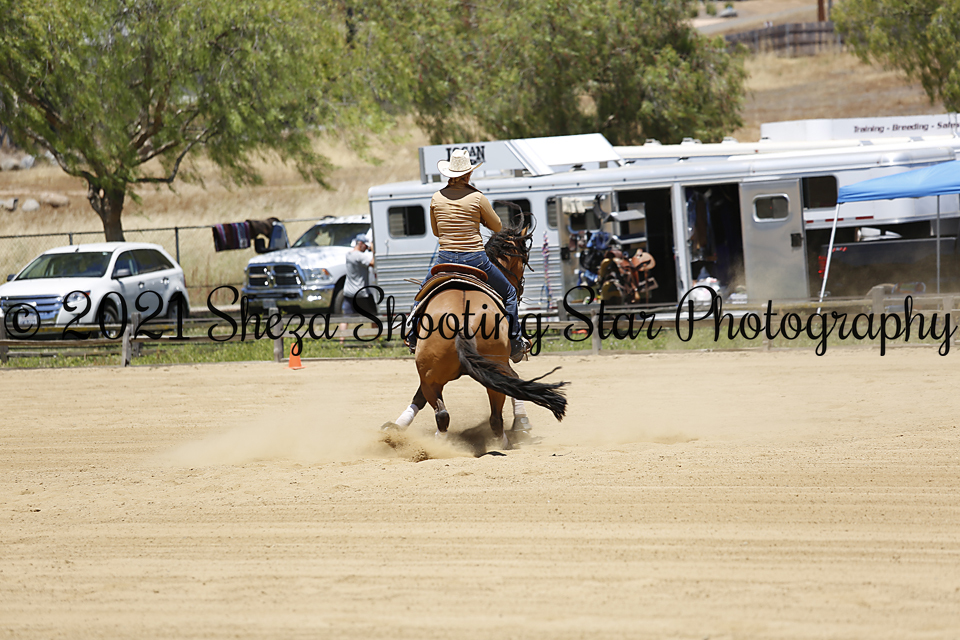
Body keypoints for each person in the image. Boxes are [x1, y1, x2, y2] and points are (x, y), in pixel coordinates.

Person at [406, 149, 529, 362]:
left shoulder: (436, 197)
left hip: (444, 260)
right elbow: (497, 227)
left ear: (449, 174)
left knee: (421, 296)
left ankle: (413, 336)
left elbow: (436, 231)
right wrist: (478, 218)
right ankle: (515, 343)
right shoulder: (477, 198)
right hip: (475, 260)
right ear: (468, 174)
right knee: (509, 293)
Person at [342, 233, 376, 317]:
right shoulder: (360, 256)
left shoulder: (348, 254)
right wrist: (373, 250)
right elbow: (373, 263)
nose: (366, 248)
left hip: (348, 292)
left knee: (345, 318)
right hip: (361, 292)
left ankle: (342, 327)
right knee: (374, 316)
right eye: (365, 245)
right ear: (360, 243)